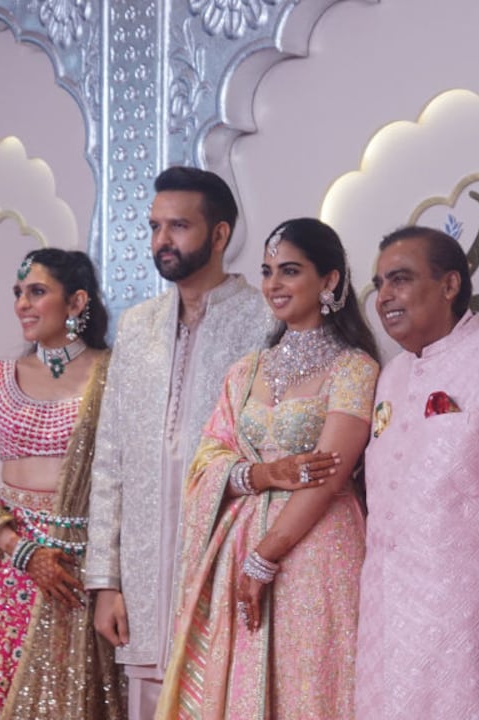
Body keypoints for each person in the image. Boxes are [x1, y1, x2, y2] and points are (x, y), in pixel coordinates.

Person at [156, 218, 378, 719]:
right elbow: (208, 459)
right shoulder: (246, 370)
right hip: (239, 542)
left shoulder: (354, 369)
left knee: (311, 686)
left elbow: (329, 475)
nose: (273, 284)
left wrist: (265, 559)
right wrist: (262, 476)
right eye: (267, 271)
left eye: (290, 270)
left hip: (319, 548)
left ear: (330, 281)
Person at [85, 166, 274, 719]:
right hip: (142, 580)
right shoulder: (138, 326)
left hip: (226, 565)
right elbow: (110, 459)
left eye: (178, 226)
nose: (161, 241)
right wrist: (105, 581)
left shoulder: (264, 320)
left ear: (219, 235)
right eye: (154, 227)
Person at [354, 226, 479, 719]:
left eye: (400, 279)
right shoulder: (392, 374)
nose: (385, 297)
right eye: (380, 284)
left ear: (449, 286)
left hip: (472, 615)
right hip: (387, 610)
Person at [0, 249, 123, 718]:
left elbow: (126, 481)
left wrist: (111, 578)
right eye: (19, 293)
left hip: (80, 566)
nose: (22, 303)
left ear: (77, 302)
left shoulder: (114, 375)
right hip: (7, 564)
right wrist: (21, 551)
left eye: (37, 292)